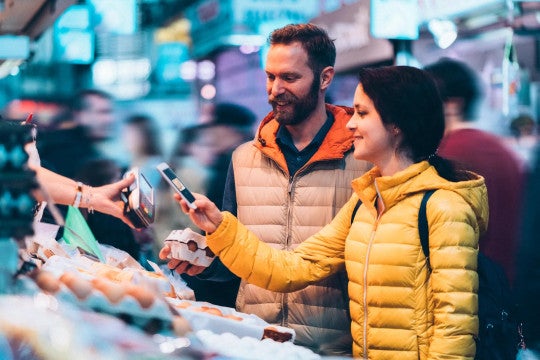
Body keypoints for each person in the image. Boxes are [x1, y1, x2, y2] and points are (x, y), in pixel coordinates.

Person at [162, 65, 488, 359]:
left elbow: (455, 327)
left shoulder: (444, 207)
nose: (351, 124)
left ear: (396, 125)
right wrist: (220, 226)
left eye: (362, 113)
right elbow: (292, 268)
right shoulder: (365, 202)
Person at [164, 24, 372, 356]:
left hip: (332, 349)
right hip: (257, 343)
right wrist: (205, 264)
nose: (275, 89)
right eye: (270, 77)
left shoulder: (363, 160)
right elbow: (235, 254)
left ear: (325, 78)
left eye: (290, 78)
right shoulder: (243, 157)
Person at [424, 58, 527, 284]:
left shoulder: (448, 153)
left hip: (470, 289)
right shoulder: (501, 149)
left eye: (426, 101)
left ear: (452, 105)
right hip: (506, 288)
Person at [175, 103, 256, 307]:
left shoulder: (237, 162)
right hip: (226, 265)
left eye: (211, 127)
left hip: (228, 271)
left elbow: (228, 220)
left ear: (227, 129)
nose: (208, 134)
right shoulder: (230, 160)